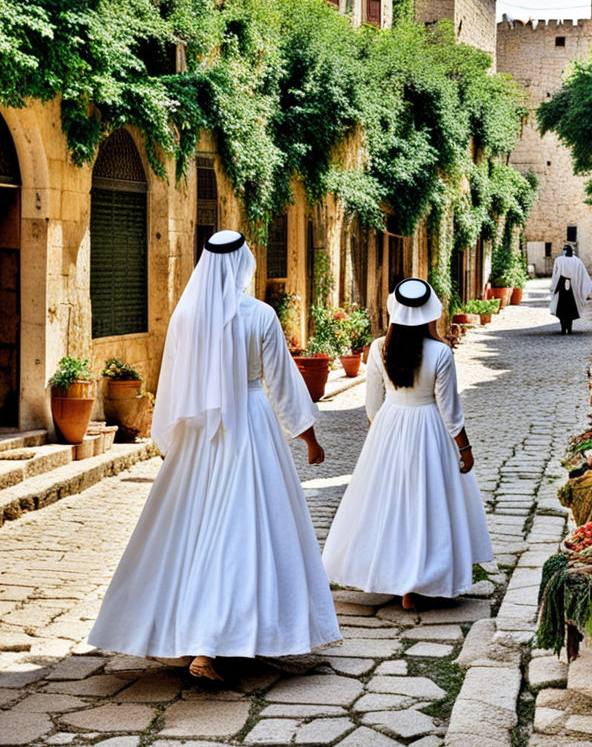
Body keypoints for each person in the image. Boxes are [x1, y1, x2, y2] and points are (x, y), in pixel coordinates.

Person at [89, 230, 340, 682]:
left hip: (199, 433)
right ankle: (217, 642)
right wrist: (308, 437)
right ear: (243, 264)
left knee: (190, 531)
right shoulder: (260, 315)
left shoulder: (187, 317)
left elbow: (173, 383)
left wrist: (171, 442)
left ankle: (183, 636)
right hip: (250, 426)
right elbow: (281, 383)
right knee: (243, 532)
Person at [321, 278, 493, 608]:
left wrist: (386, 434)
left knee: (390, 504)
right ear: (429, 313)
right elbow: (450, 409)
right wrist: (464, 448)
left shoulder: (377, 348)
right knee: (425, 504)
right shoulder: (441, 352)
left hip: (390, 424)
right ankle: (415, 586)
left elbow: (372, 406)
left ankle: (393, 574)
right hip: (430, 428)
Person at [549, 242, 591, 334]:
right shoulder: (577, 261)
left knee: (561, 309)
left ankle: (564, 329)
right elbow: (583, 276)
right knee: (570, 308)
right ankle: (569, 329)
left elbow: (555, 274)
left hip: (561, 286)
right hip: (573, 287)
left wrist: (553, 286)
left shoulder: (559, 260)